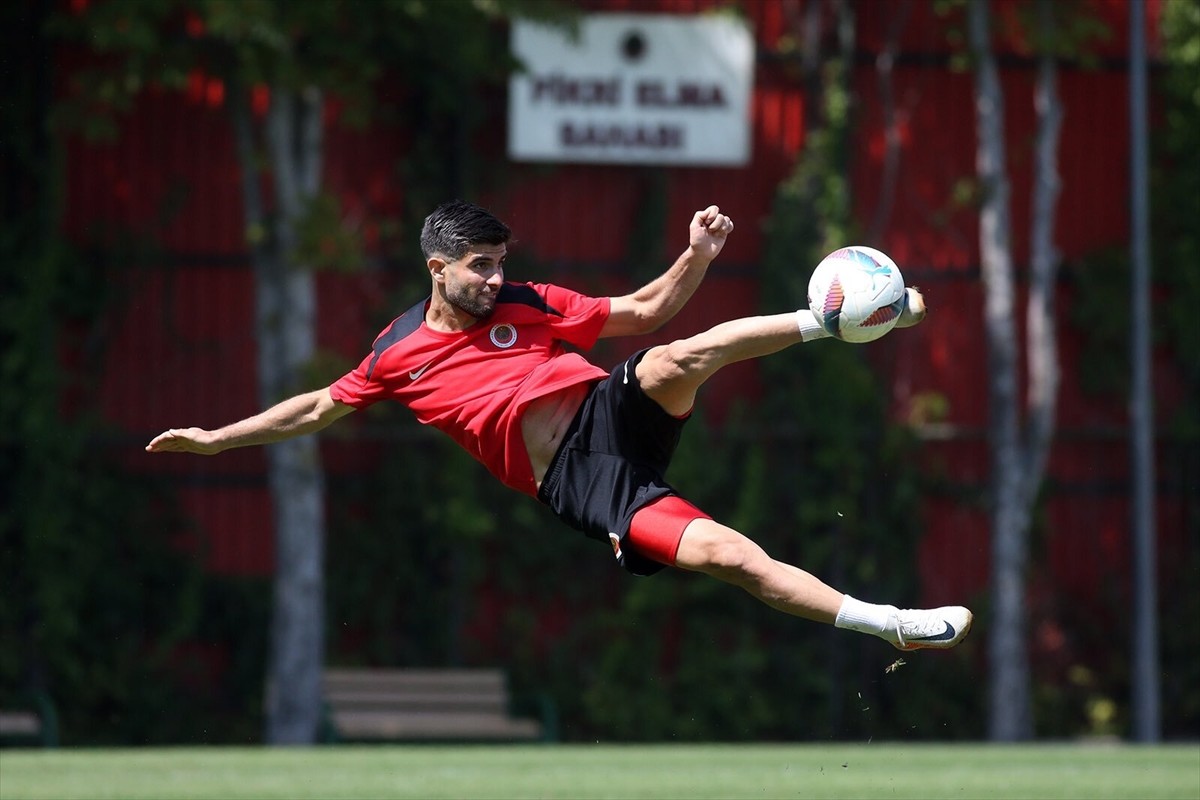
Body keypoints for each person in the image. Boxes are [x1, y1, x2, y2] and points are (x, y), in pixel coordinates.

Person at [147, 200, 972, 651]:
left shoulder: (526, 303)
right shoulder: (395, 354)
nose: (496, 276)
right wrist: (219, 439)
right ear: (438, 269)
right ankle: (890, 625)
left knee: (687, 352)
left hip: (610, 408)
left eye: (500, 261)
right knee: (729, 557)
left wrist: (699, 254)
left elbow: (646, 310)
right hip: (583, 481)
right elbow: (317, 408)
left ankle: (840, 320)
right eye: (481, 266)